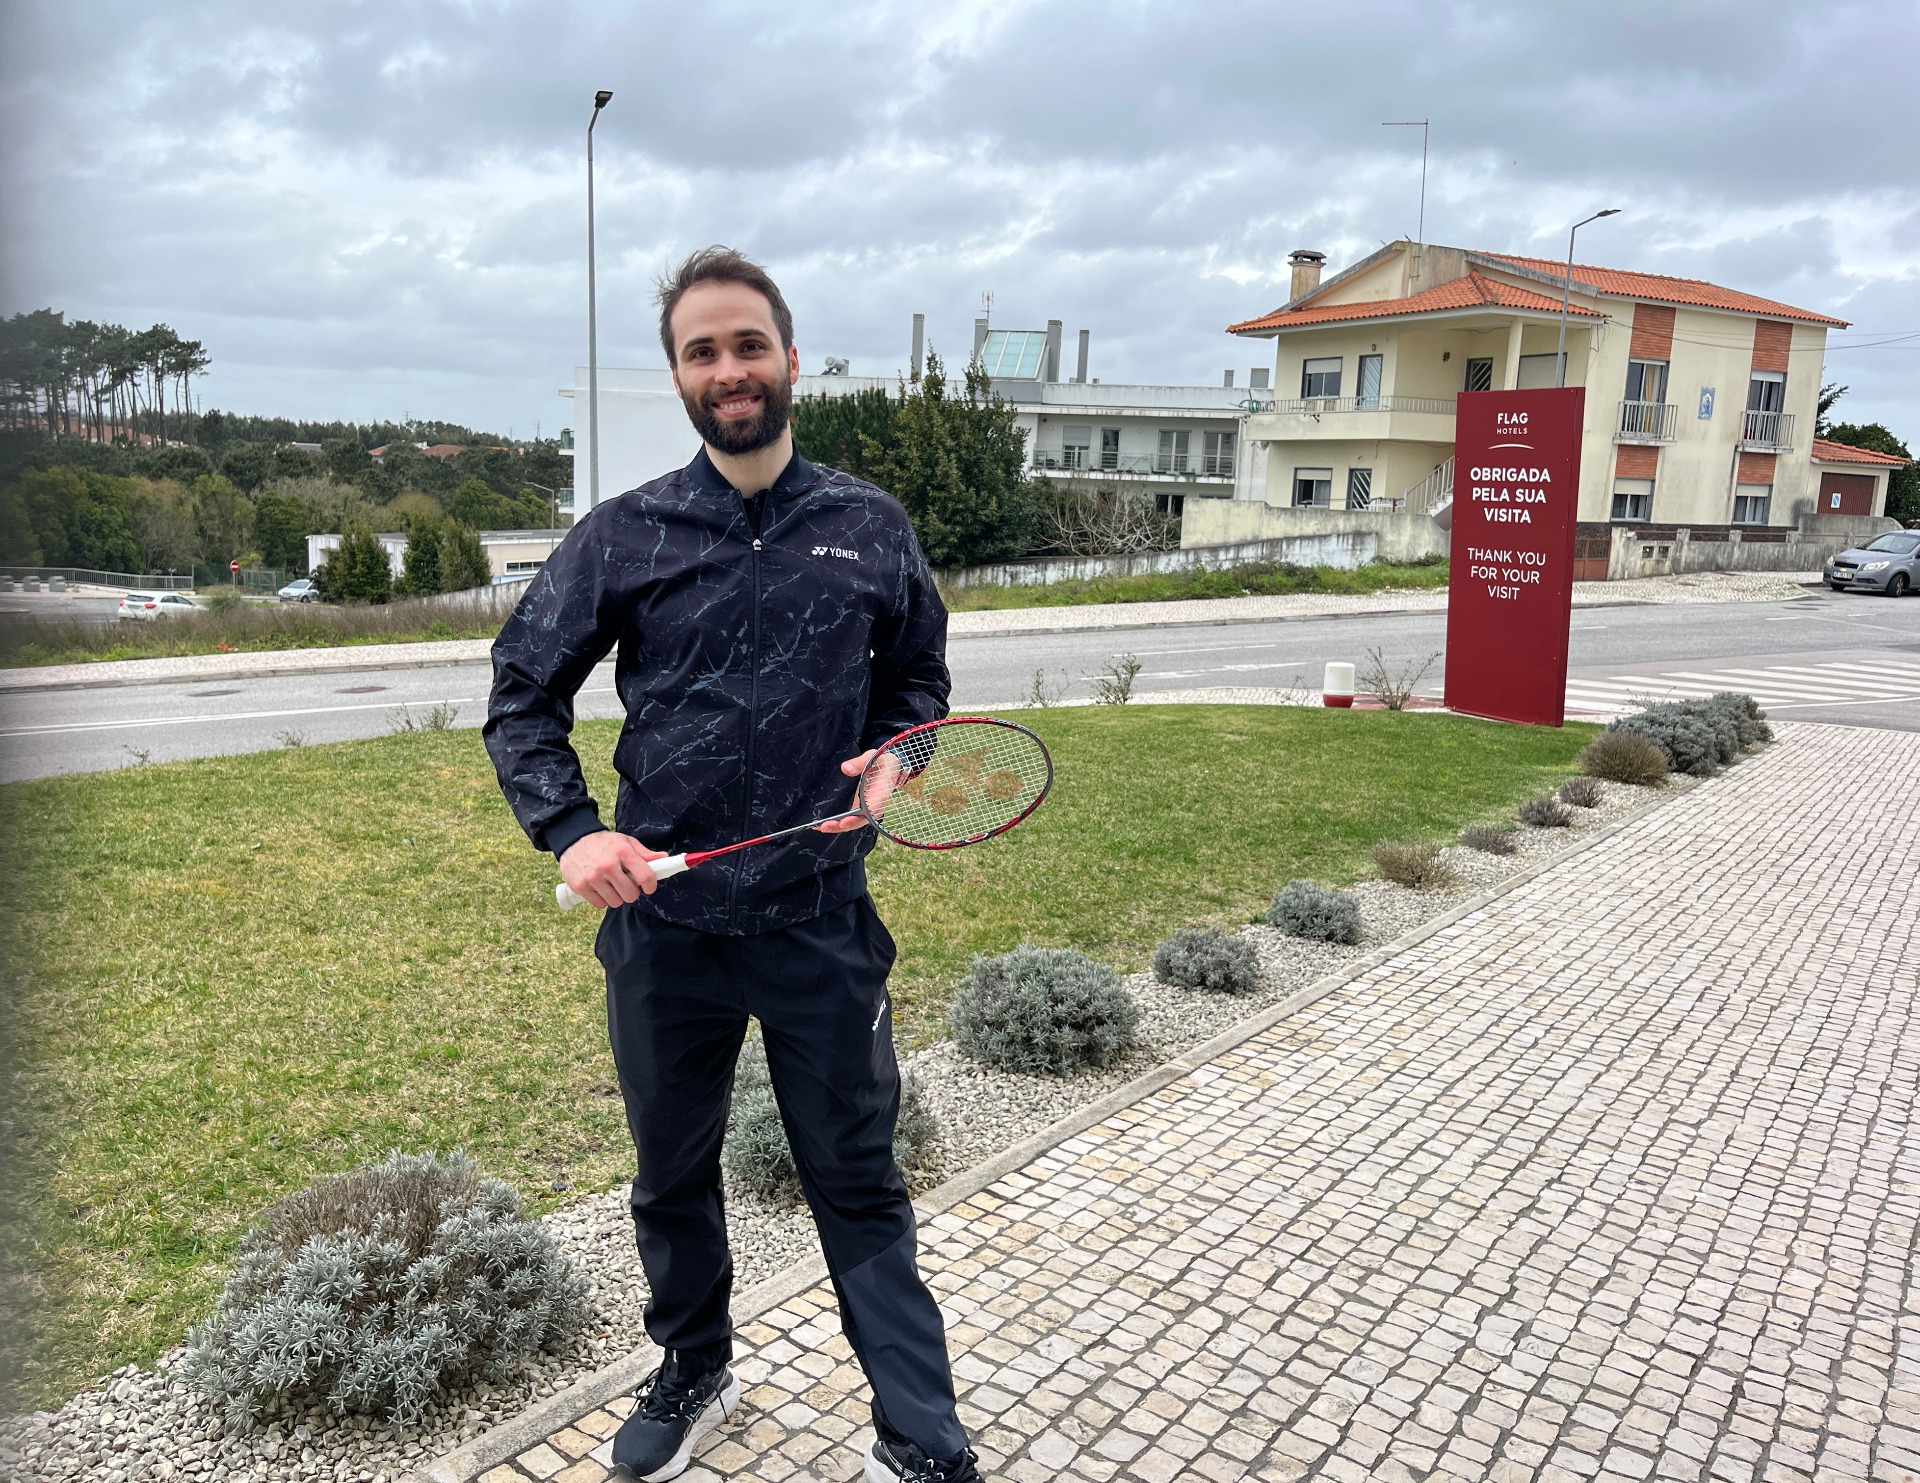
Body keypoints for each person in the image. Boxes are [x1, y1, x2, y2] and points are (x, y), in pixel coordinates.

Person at [484, 246, 978, 1483]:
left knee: (856, 1177)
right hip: (668, 929)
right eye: (701, 350)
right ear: (679, 377)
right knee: (670, 1173)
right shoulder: (626, 533)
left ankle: (919, 1434)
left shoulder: (868, 525)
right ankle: (695, 1367)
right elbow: (521, 692)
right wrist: (573, 831)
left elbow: (918, 680)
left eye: (748, 343)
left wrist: (897, 758)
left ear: (790, 358)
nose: (729, 368)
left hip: (820, 921)